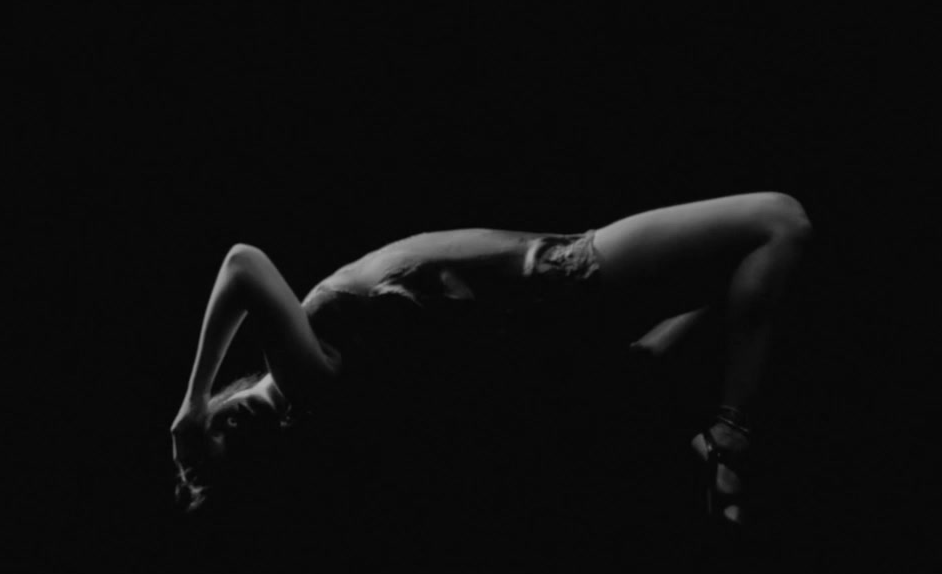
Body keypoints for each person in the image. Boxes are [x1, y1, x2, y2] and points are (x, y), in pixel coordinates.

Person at [170, 192, 813, 530]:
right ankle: (729, 441)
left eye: (209, 434)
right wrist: (191, 400)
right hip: (560, 276)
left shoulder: (302, 369)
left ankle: (703, 430)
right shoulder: (304, 384)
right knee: (778, 223)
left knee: (740, 271)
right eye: (221, 448)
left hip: (553, 281)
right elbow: (243, 264)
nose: (217, 430)